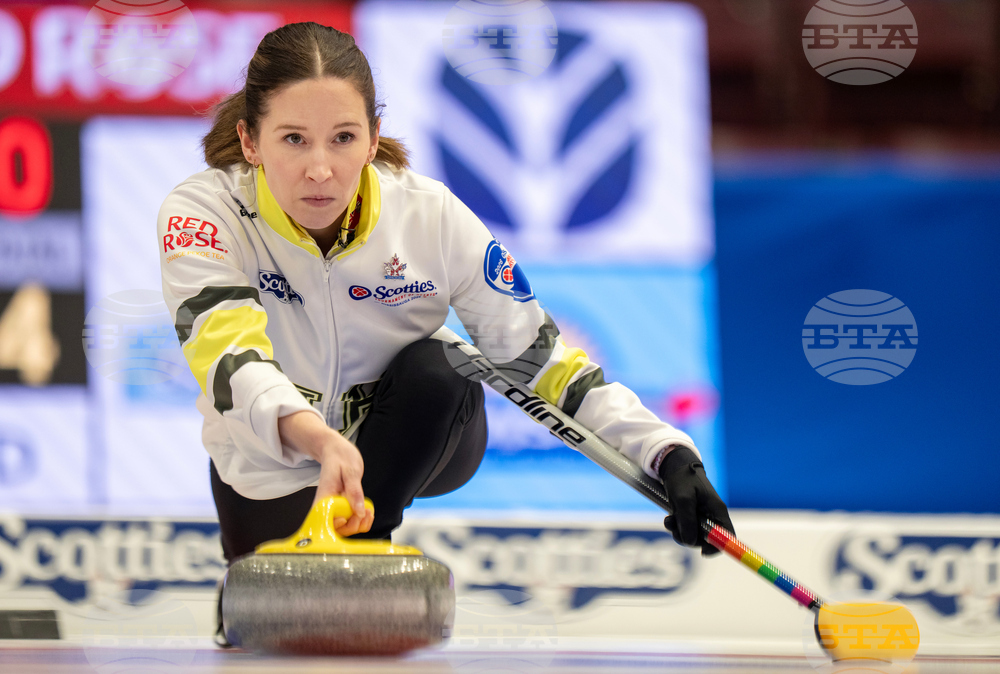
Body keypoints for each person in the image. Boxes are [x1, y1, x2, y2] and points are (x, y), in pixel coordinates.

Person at [158, 22, 734, 570]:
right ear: (249, 141)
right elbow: (231, 360)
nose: (320, 169)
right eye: (293, 139)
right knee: (255, 627)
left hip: (414, 443)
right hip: (268, 462)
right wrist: (321, 441)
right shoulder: (204, 214)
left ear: (372, 139)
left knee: (444, 361)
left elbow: (542, 361)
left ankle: (362, 547)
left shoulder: (430, 215)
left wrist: (667, 452)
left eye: (343, 139)